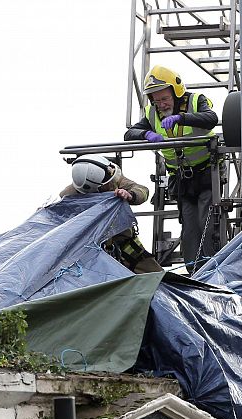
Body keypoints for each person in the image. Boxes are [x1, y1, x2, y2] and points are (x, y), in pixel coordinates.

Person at [124, 65, 219, 273]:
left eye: (164, 99)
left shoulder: (195, 101)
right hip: (182, 179)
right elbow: (129, 134)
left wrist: (181, 118)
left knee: (208, 224)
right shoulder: (152, 113)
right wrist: (145, 135)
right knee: (189, 229)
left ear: (176, 93)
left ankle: (214, 271)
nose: (161, 104)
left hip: (206, 174)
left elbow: (211, 118)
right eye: (156, 100)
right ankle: (195, 273)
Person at [60, 154, 162, 273]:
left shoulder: (109, 177)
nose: (112, 183)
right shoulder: (69, 199)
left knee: (156, 276)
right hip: (90, 254)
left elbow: (142, 190)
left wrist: (131, 195)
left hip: (126, 247)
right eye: (107, 183)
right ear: (94, 187)